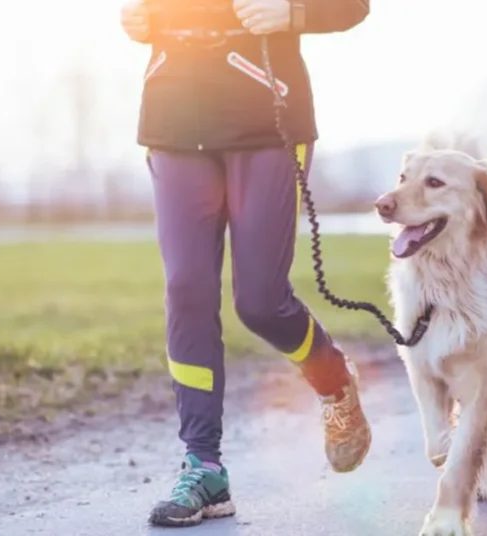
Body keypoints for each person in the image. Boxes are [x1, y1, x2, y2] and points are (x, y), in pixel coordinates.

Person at [119, 0, 372, 527]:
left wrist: (295, 12)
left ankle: (333, 380)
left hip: (266, 119)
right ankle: (203, 465)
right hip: (174, 118)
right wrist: (137, 19)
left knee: (260, 302)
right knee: (186, 289)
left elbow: (354, 6)